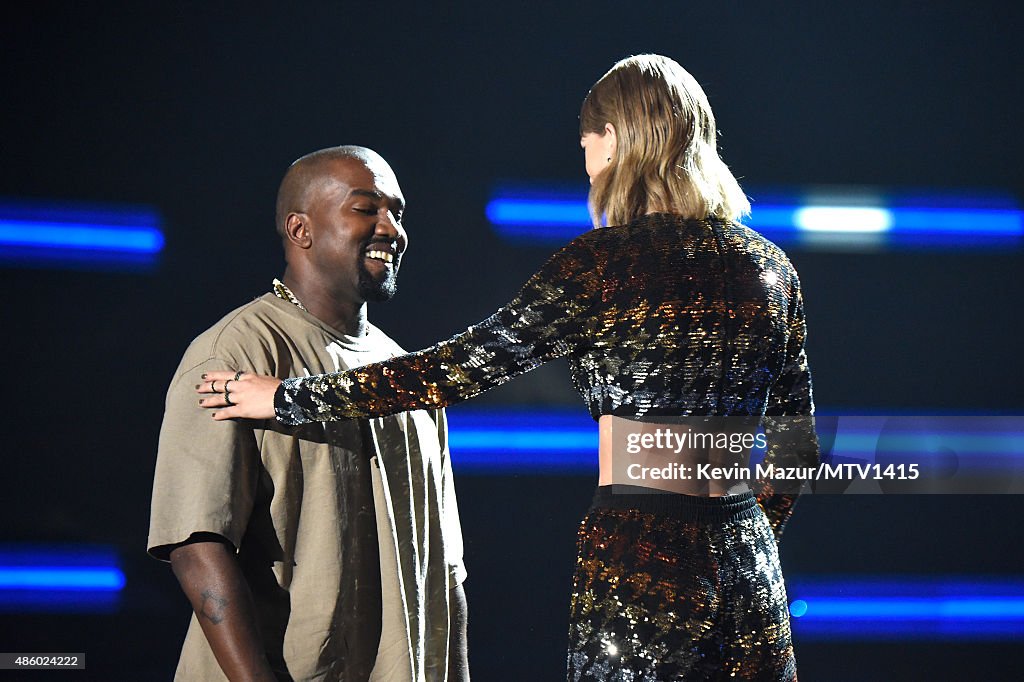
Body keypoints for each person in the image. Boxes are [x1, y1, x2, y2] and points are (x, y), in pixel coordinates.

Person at [198, 55, 819, 681]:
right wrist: (741, 536)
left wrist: (288, 400)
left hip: (641, 552)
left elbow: (455, 369)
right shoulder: (770, 269)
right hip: (749, 562)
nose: (586, 164)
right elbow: (800, 450)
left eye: (587, 144)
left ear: (613, 142)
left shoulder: (599, 265)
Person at [149, 145, 469, 681]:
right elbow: (196, 545)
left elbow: (446, 571)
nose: (391, 228)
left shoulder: (404, 375)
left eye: (398, 212)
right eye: (367, 209)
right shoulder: (235, 354)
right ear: (301, 230)